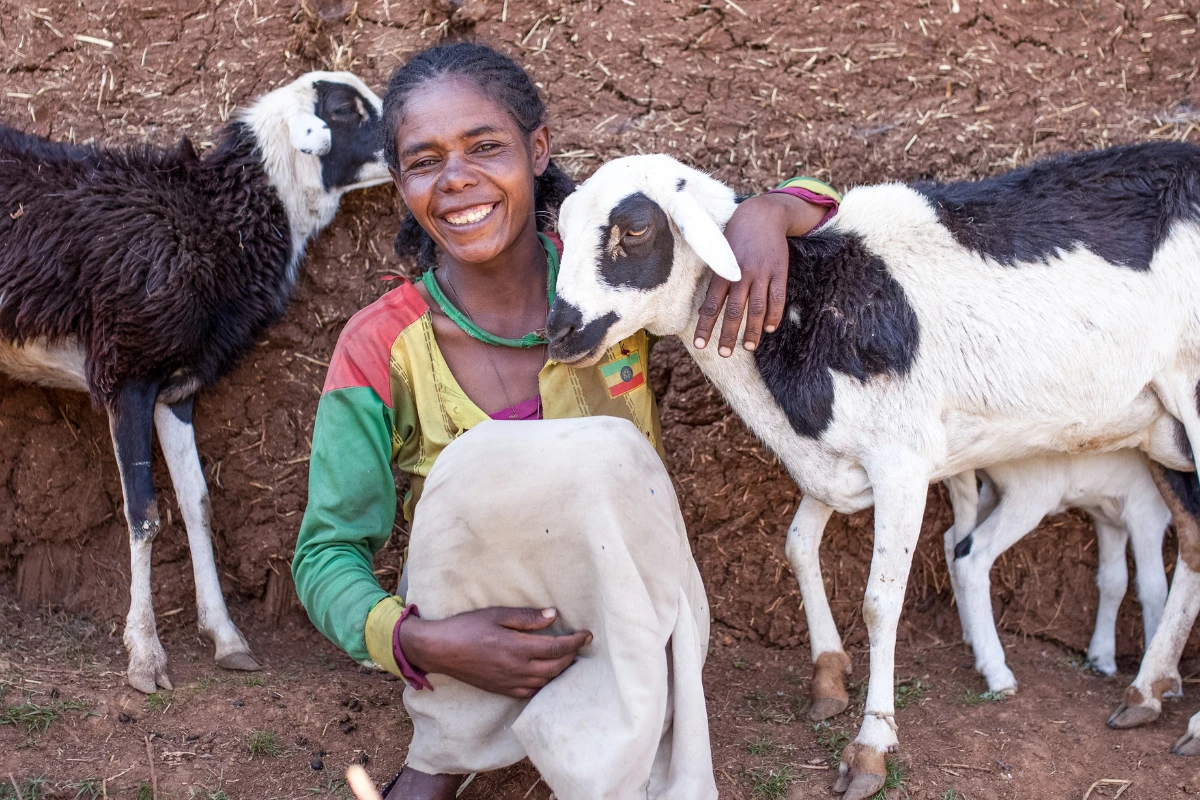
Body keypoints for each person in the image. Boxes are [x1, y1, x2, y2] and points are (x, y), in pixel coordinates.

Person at [291, 42, 841, 800]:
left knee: (603, 454)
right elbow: (324, 555)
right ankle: (448, 750)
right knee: (474, 469)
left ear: (538, 148)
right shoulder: (380, 342)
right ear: (401, 185)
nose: (457, 179)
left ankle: (627, 764)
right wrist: (420, 640)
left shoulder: (618, 276)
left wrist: (766, 212)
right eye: (425, 161)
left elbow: (823, 192)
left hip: (626, 622)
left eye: (486, 147)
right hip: (471, 641)